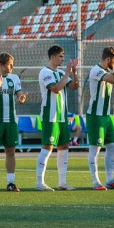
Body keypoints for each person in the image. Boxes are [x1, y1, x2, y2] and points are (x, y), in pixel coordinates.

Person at [87, 46, 114, 190]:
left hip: (106, 116)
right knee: (95, 148)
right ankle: (96, 182)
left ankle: (110, 179)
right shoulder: (96, 70)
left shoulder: (108, 69)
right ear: (108, 60)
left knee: (112, 146)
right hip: (96, 116)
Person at [35, 45, 79, 191]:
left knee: (64, 147)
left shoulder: (61, 73)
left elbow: (74, 86)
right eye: (60, 56)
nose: (62, 59)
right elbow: (55, 88)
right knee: (48, 147)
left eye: (63, 56)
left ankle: (62, 182)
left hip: (62, 117)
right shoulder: (45, 72)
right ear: (52, 57)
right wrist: (67, 73)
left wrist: (74, 72)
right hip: (50, 116)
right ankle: (39, 182)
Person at [0, 53, 27, 192]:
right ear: (1, 64)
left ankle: (11, 183)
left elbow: (19, 95)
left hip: (11, 121)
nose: (12, 67)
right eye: (9, 64)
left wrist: (21, 98)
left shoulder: (15, 78)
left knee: (11, 151)